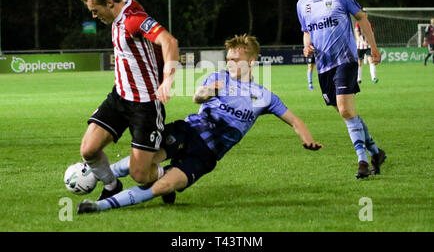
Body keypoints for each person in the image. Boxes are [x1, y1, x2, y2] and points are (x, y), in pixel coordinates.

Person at [77, 34, 324, 214]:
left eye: (236, 59)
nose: (230, 63)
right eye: (228, 58)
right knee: (140, 167)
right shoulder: (217, 78)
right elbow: (197, 96)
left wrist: (307, 138)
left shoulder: (264, 96)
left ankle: (98, 207)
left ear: (251, 62)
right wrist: (208, 93)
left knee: (163, 186)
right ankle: (95, 175)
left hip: (207, 155)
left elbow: (294, 120)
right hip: (187, 131)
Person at [78, 0, 179, 200]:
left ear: (110, 3)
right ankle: (112, 186)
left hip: (144, 105)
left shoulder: (133, 19)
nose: (94, 16)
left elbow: (169, 41)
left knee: (140, 174)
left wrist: (168, 79)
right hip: (120, 97)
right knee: (89, 149)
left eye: (95, 10)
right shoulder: (127, 4)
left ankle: (168, 175)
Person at [296, 0, 386, 179]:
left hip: (345, 60)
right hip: (323, 67)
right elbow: (307, 32)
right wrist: (307, 48)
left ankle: (362, 160)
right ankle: (376, 152)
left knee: (346, 110)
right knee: (347, 113)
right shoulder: (302, 4)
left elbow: (362, 18)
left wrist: (374, 49)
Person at [355, 18, 378, 83]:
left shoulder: (369, 24)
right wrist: (363, 42)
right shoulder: (357, 25)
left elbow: (372, 34)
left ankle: (373, 78)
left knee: (371, 61)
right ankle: (359, 79)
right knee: (359, 63)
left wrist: (373, 44)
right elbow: (357, 36)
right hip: (360, 46)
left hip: (368, 46)